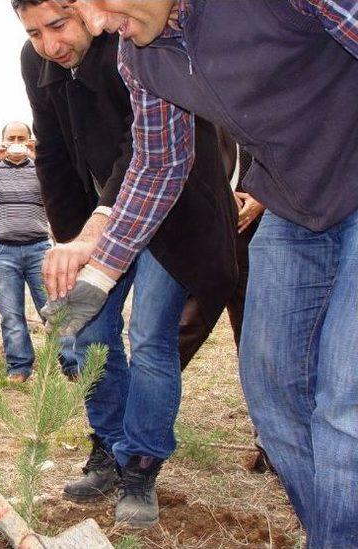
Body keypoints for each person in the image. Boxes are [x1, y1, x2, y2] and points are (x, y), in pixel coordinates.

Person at [46, 1, 358, 545]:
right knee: (275, 402)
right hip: (292, 204)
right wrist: (99, 273)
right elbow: (158, 164)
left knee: (345, 408)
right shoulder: (138, 55)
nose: (94, 23)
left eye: (97, 1)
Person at [14, 0, 237, 520]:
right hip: (98, 221)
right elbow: (51, 152)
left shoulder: (134, 36)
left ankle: (140, 464)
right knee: (90, 332)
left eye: (58, 25)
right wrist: (71, 242)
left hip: (171, 213)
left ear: (86, 8)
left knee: (152, 336)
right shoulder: (37, 61)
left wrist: (98, 230)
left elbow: (141, 151)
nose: (51, 45)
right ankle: (109, 446)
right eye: (34, 32)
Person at [0, 121, 78, 382]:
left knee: (56, 309)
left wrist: (39, 157)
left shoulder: (41, 169)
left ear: (30, 140)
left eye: (22, 137)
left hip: (39, 250)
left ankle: (72, 365)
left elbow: (65, 185)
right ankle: (19, 368)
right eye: (11, 138)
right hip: (1, 252)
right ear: (3, 141)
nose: (16, 141)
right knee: (11, 314)